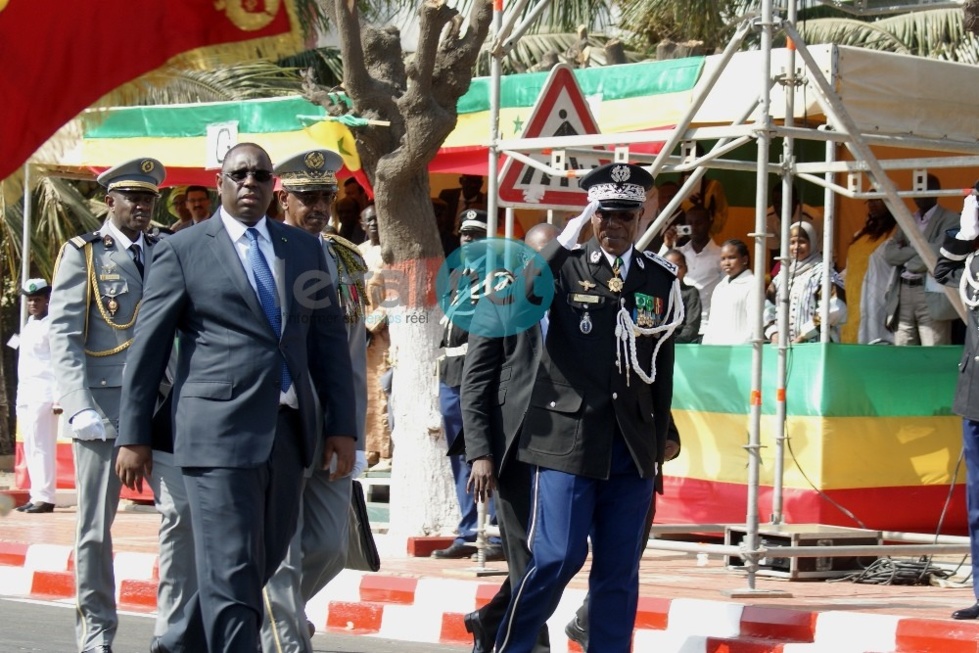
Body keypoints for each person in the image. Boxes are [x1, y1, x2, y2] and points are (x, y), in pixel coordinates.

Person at [114, 142, 356, 653]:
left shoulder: (304, 249)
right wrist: (133, 435)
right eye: (238, 174)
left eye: (260, 175)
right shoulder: (182, 249)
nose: (250, 183)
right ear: (220, 183)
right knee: (231, 566)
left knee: (259, 562)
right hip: (215, 434)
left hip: (289, 434)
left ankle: (177, 646)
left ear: (274, 187)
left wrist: (342, 427)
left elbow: (328, 342)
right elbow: (149, 350)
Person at [494, 163, 683, 653]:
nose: (613, 226)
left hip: (630, 446)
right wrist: (563, 241)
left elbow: (658, 367)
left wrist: (663, 435)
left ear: (641, 216)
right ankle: (509, 645)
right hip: (566, 441)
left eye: (624, 216)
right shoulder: (564, 267)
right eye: (604, 216)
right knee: (557, 557)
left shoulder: (658, 279)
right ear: (591, 216)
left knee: (619, 571)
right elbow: (516, 301)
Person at [48, 157, 166, 653]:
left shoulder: (167, 249)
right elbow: (64, 332)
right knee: (94, 530)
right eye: (132, 196)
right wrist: (78, 405)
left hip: (164, 403)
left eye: (148, 197)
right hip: (104, 406)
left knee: (182, 521)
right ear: (109, 201)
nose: (141, 206)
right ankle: (96, 634)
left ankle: (173, 632)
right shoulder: (84, 254)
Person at [260, 148, 370, 653]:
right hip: (278, 420)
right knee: (281, 549)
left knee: (328, 543)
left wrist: (357, 435)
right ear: (283, 197)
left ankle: (262, 620)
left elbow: (352, 355)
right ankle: (284, 638)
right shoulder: (264, 251)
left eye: (326, 195)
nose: (319, 206)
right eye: (307, 196)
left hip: (331, 425)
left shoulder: (345, 259)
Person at [460, 222, 561, 653]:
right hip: (512, 448)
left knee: (557, 555)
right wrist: (480, 453)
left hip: (564, 449)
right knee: (523, 551)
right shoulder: (499, 304)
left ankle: (493, 616)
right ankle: (532, 643)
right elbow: (474, 384)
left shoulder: (578, 305)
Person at [431, 209, 503, 562]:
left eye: (476, 236)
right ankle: (468, 531)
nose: (469, 242)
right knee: (461, 459)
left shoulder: (497, 279)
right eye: (465, 235)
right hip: (450, 375)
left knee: (487, 455)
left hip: (479, 377)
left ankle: (499, 533)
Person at [935, 192, 979, 620]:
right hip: (975, 394)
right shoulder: (974, 264)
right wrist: (965, 235)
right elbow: (942, 269)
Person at [882, 174, 960, 346]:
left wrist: (907, 255)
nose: (919, 194)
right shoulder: (906, 219)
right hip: (903, 292)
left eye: (924, 189)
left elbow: (937, 253)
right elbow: (889, 254)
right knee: (903, 347)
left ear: (936, 191)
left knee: (934, 347)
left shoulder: (951, 219)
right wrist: (920, 249)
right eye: (916, 190)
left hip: (931, 294)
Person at [13, 278, 58, 514]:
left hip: (44, 391)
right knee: (31, 444)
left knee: (42, 445)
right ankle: (36, 494)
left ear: (47, 300)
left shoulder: (53, 326)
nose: (33, 303)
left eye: (37, 299)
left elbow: (59, 362)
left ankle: (46, 496)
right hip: (27, 392)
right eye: (30, 300)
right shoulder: (29, 325)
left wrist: (59, 395)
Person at [764, 222, 847, 343]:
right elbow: (767, 307)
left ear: (812, 243)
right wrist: (774, 334)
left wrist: (804, 335)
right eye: (792, 242)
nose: (796, 247)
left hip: (816, 346)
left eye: (802, 241)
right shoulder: (781, 277)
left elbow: (836, 307)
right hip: (783, 349)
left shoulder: (824, 273)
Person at [359, 205, 394, 469]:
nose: (373, 223)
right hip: (359, 334)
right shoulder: (357, 253)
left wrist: (370, 328)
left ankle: (386, 452)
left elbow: (394, 297)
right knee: (366, 392)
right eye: (368, 220)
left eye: (377, 219)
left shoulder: (391, 254)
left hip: (383, 334)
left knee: (383, 391)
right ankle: (369, 449)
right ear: (362, 224)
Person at [840, 198, 897, 344]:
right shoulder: (860, 235)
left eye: (877, 199)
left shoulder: (897, 233)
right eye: (869, 200)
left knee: (874, 343)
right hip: (852, 299)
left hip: (878, 300)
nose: (872, 203)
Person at [661, 205, 722, 338]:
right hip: (677, 326)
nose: (694, 227)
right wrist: (667, 245)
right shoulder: (678, 253)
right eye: (689, 223)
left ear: (709, 222)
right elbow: (657, 271)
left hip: (708, 325)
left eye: (699, 222)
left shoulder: (720, 255)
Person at [703, 239, 758, 345]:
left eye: (732, 257)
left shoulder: (752, 284)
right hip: (716, 352)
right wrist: (706, 347)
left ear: (745, 259)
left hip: (740, 352)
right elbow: (712, 324)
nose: (726, 263)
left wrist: (738, 349)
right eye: (723, 259)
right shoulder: (720, 287)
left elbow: (754, 326)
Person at [765, 182, 823, 274]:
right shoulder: (768, 218)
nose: (780, 208)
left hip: (816, 262)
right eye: (776, 203)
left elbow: (821, 251)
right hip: (787, 263)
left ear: (796, 202)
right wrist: (775, 278)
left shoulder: (813, 218)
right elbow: (775, 255)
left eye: (785, 203)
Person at [662, 249, 702, 343]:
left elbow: (692, 325)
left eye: (679, 266)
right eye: (669, 266)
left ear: (686, 269)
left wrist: (676, 342)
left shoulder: (691, 292)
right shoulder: (655, 293)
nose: (674, 270)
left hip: (681, 344)